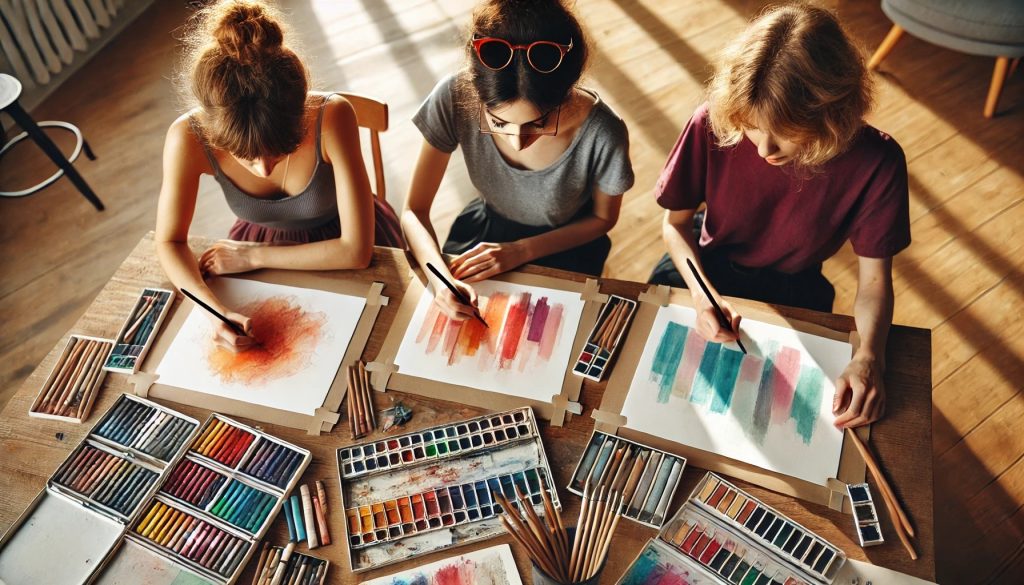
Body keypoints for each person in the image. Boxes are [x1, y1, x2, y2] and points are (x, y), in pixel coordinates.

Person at [649, 4, 910, 429]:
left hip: (797, 286)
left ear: (833, 112)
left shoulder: (876, 161)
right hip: (703, 265)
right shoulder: (712, 122)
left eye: (787, 130)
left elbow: (876, 280)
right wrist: (702, 297)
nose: (763, 149)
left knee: (782, 418)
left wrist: (868, 356)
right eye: (751, 125)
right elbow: (675, 225)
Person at [155, 0, 403, 351]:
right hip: (257, 249)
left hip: (344, 240)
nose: (265, 169)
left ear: (301, 113)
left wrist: (252, 256)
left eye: (281, 150)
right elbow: (169, 241)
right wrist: (213, 311)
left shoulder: (331, 115)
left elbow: (356, 252)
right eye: (245, 157)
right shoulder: (187, 137)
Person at [402, 0, 634, 321]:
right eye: (498, 123)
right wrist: (440, 281)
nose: (517, 141)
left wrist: (522, 250)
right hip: (486, 228)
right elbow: (413, 211)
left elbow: (603, 219)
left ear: (565, 93)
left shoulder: (603, 132)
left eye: (538, 124)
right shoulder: (455, 95)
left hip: (565, 245)